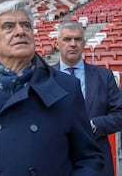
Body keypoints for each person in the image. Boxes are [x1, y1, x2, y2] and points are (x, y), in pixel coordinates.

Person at [0, 0, 104, 176]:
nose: (20, 31)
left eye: (25, 25)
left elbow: (89, 158)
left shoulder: (67, 87)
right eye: (8, 26)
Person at [52, 20, 122, 176]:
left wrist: (94, 125)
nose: (73, 44)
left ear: (84, 43)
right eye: (67, 39)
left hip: (98, 159)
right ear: (57, 44)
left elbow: (120, 114)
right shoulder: (44, 77)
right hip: (57, 160)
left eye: (77, 39)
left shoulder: (104, 76)